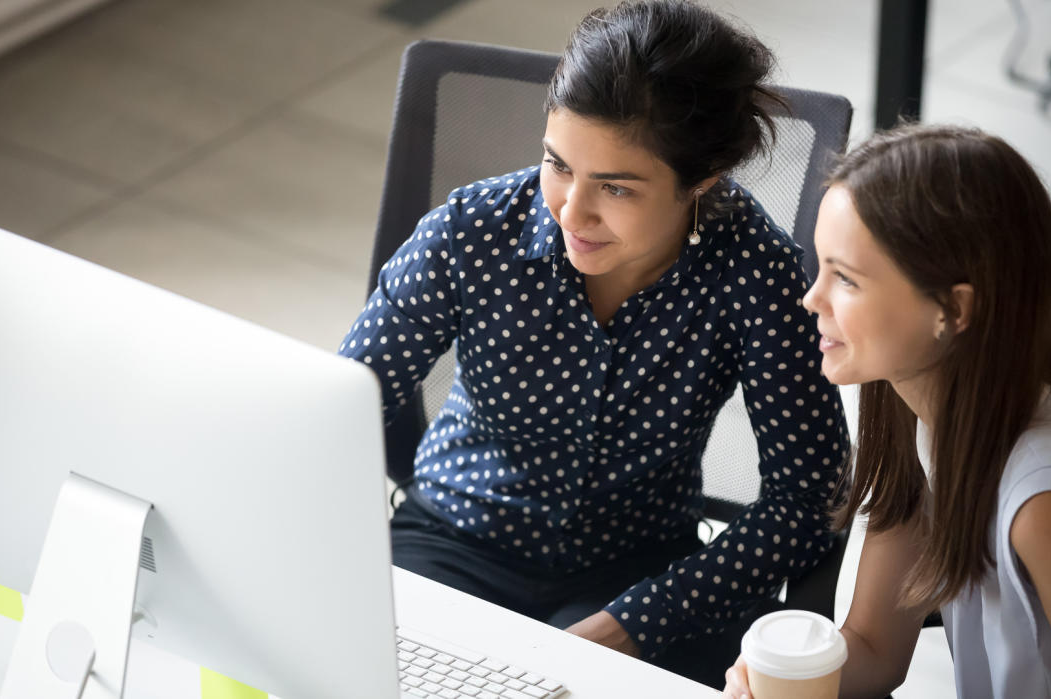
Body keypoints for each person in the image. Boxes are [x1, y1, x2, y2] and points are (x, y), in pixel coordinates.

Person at [337, 0, 849, 687]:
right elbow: (337, 411)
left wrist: (639, 620)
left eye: (615, 186)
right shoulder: (471, 231)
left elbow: (807, 497)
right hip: (453, 539)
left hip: (639, 572)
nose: (571, 211)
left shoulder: (755, 271)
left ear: (702, 180)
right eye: (558, 164)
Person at [722, 124, 1051, 698]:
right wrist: (783, 682)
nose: (811, 297)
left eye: (844, 278)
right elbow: (874, 648)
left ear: (952, 309)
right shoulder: (920, 420)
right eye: (819, 267)